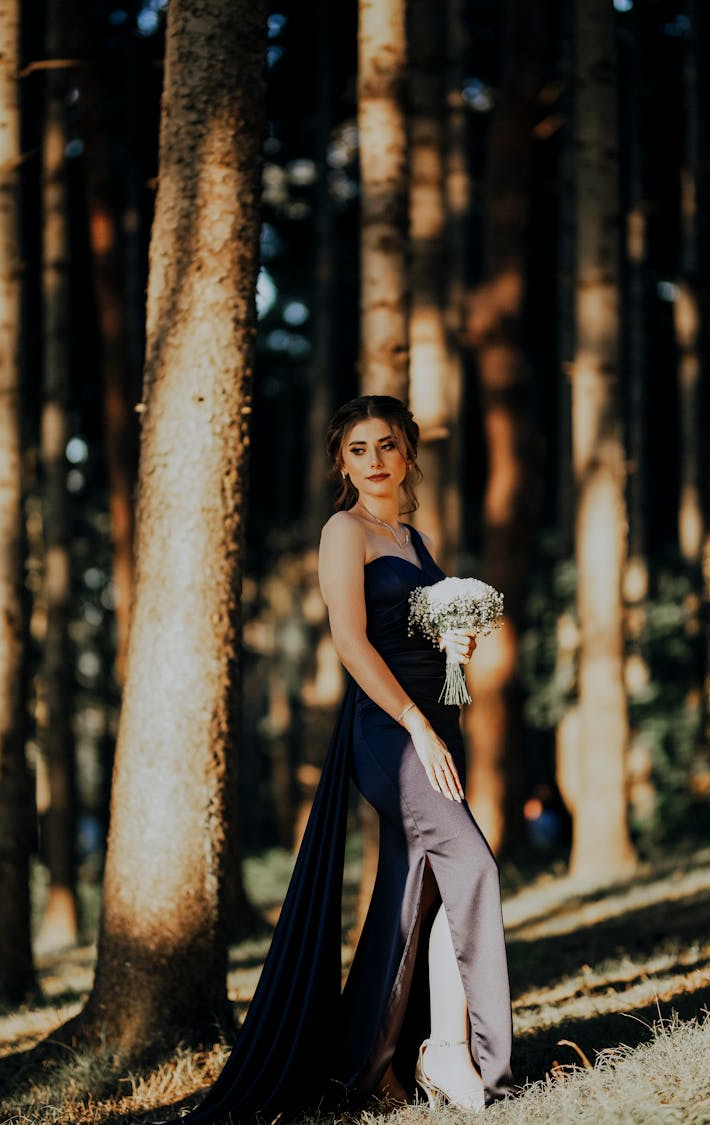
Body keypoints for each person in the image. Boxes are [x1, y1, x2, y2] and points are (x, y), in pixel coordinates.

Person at [162, 395, 513, 1124]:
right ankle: (461, 1051)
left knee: (413, 887)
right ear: (341, 461)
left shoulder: (412, 537)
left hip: (435, 721)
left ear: (408, 451)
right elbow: (353, 643)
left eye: (387, 444)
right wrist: (415, 722)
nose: (375, 459)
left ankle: (369, 1063)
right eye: (359, 449)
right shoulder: (342, 530)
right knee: (472, 865)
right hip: (389, 731)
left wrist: (456, 646)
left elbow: (415, 629)